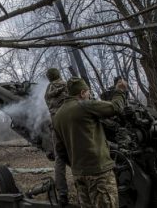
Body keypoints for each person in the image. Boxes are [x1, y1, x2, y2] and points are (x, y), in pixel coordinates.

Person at [53, 77, 128, 208]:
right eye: (88, 92)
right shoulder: (84, 105)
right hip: (99, 173)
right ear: (82, 93)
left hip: (79, 175)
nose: (89, 95)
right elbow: (116, 108)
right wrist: (120, 91)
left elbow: (59, 150)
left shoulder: (57, 116)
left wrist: (76, 165)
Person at [44, 68, 69, 206]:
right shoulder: (67, 86)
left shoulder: (47, 92)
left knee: (59, 161)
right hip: (69, 125)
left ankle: (63, 195)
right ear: (59, 74)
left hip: (56, 127)